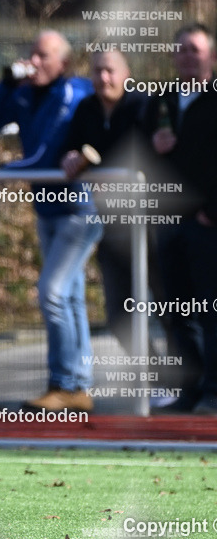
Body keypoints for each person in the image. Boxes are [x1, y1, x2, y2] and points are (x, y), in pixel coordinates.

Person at [0, 30, 98, 412]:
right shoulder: (27, 92)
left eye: (44, 56)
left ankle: (63, 382)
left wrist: (0, 170)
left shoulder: (72, 94)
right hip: (47, 210)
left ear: (63, 62)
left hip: (78, 211)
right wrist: (6, 84)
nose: (35, 61)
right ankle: (78, 386)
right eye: (32, 54)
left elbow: (45, 158)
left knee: (53, 292)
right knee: (71, 296)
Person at [58, 50, 173, 404]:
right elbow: (70, 149)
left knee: (172, 307)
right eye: (96, 71)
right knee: (119, 312)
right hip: (111, 227)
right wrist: (71, 157)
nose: (103, 77)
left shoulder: (146, 106)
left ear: (126, 73)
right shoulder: (86, 110)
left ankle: (192, 383)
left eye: (110, 70)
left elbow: (158, 153)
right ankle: (157, 381)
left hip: (151, 225)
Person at [147, 24, 217, 413]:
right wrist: (154, 146)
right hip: (169, 221)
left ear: (211, 56)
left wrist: (212, 212)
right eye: (182, 50)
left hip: (208, 223)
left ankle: (214, 391)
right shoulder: (163, 100)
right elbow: (138, 146)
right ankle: (190, 390)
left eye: (196, 49)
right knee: (177, 312)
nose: (188, 56)